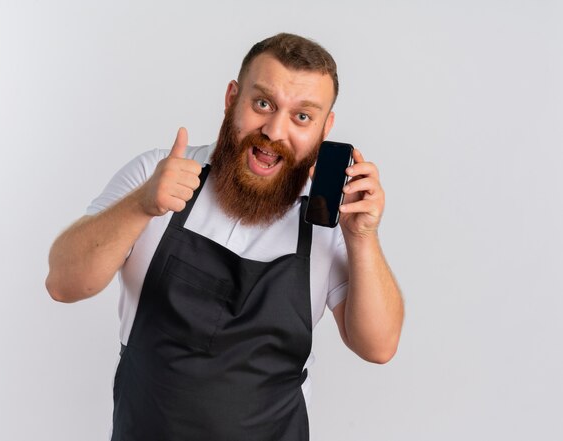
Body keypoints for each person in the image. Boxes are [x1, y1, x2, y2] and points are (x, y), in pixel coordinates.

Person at [46, 33, 404, 440]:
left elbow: (378, 347)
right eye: (263, 103)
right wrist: (141, 205)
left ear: (326, 127)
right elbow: (63, 283)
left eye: (302, 116)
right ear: (232, 97)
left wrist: (362, 237)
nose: (274, 130)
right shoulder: (156, 177)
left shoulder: (331, 221)